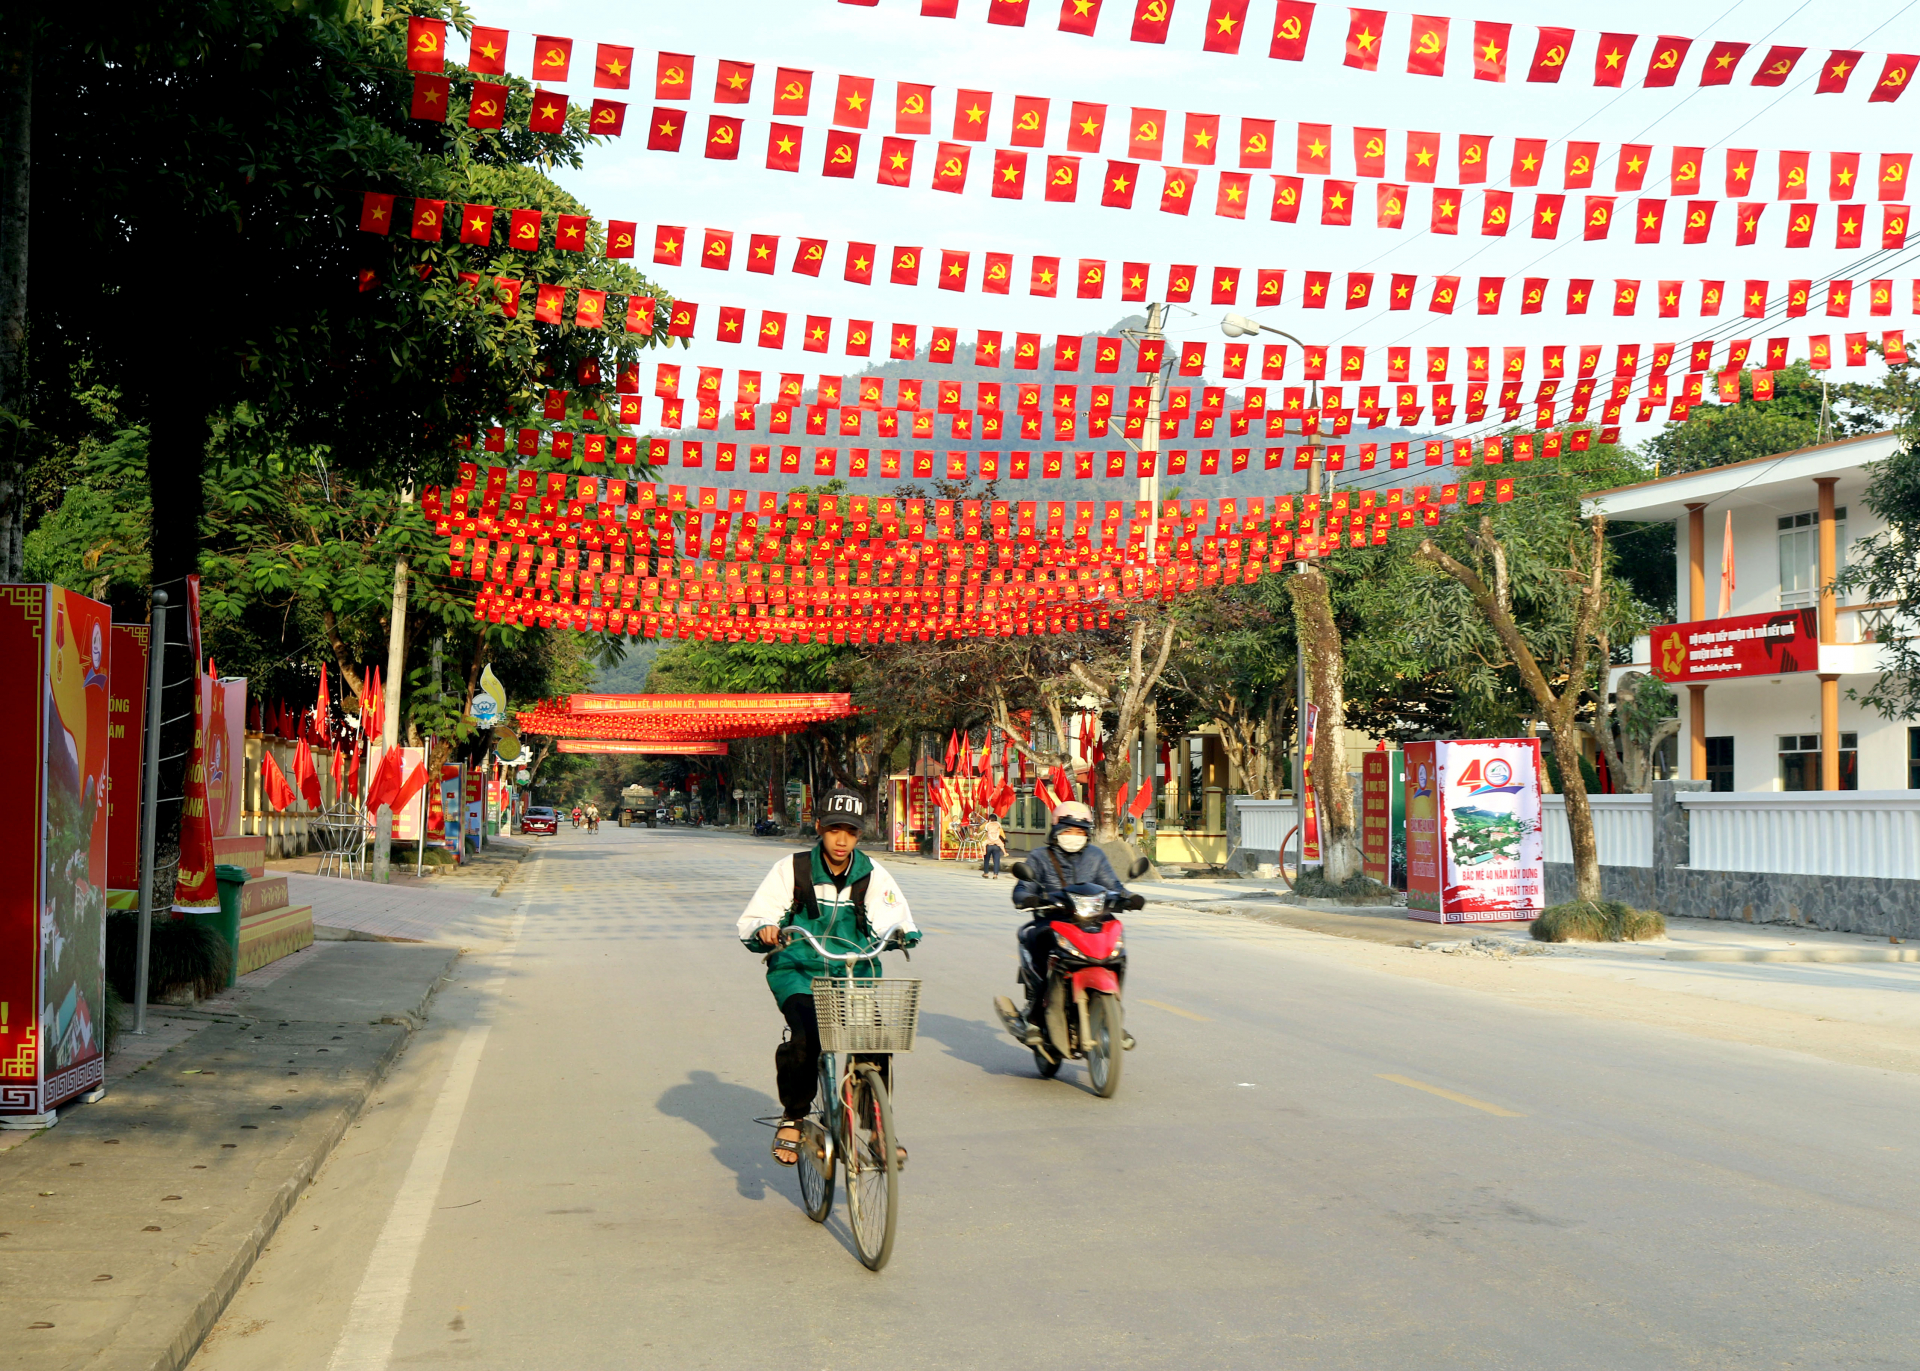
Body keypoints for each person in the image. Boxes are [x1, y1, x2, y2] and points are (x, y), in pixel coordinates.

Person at [735, 786, 920, 1167]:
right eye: (834, 829)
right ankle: (794, 1115)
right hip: (799, 969)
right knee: (808, 1033)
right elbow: (756, 917)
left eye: (850, 831)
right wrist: (766, 928)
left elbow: (894, 916)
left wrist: (903, 932)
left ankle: (877, 1128)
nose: (841, 839)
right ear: (818, 827)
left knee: (873, 1039)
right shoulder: (793, 869)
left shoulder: (871, 874)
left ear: (859, 833)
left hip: (852, 972)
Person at [1008, 800, 1140, 1046]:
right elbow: (1023, 887)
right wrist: (1029, 897)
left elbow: (1113, 885)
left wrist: (1129, 898)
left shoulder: (1095, 855)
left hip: (1092, 920)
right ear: (1056, 829)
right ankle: (1034, 1015)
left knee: (1117, 952)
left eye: (1080, 832)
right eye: (1069, 830)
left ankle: (1113, 1018)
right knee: (1035, 941)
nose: (1074, 836)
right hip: (1053, 919)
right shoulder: (1039, 857)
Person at [978, 814, 1007, 880]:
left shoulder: (987, 826)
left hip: (988, 845)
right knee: (996, 860)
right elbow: (1004, 836)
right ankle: (995, 875)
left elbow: (980, 828)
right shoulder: (998, 827)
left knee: (987, 859)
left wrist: (986, 823)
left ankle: (986, 873)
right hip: (997, 845)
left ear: (989, 819)